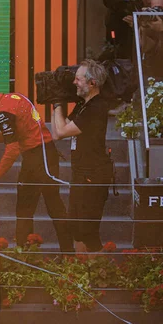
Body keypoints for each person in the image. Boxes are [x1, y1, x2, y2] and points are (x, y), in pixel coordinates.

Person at [0, 87, 73, 253]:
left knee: (45, 207)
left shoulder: (3, 113)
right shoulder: (11, 98)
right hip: (41, 153)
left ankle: (31, 256)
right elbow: (18, 135)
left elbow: (13, 149)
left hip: (40, 156)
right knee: (29, 208)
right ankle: (48, 254)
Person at [51, 59, 113, 253]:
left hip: (94, 174)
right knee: (76, 228)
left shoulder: (96, 108)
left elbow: (61, 132)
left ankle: (99, 277)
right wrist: (56, 102)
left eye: (78, 79)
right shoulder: (83, 105)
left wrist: (57, 103)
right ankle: (81, 275)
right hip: (81, 172)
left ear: (92, 83)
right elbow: (56, 132)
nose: (74, 83)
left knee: (89, 232)